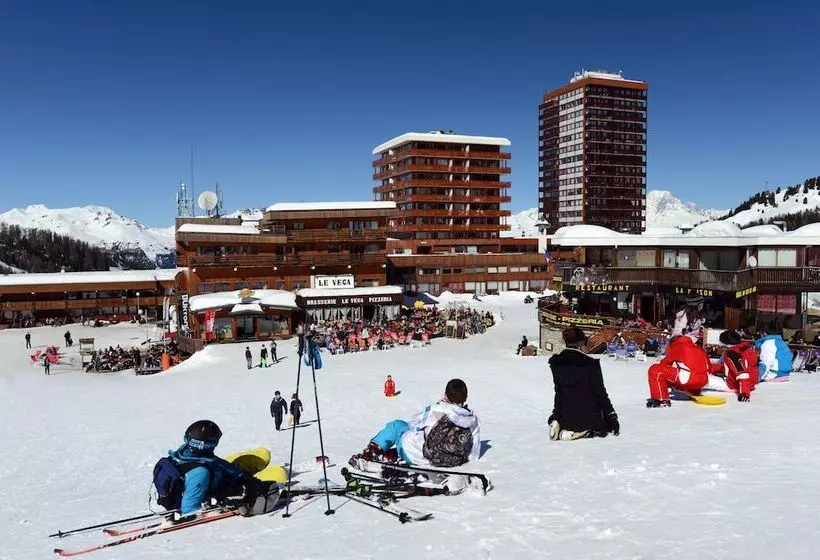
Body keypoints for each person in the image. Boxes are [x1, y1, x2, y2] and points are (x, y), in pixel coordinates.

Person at [156, 420, 278, 518]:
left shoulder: (187, 453)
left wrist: (243, 477)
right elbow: (188, 510)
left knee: (263, 455)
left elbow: (217, 462)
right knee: (277, 472)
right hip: (221, 488)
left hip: (220, 478)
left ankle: (250, 474)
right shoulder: (199, 473)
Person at [349, 378, 480, 468]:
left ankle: (368, 455)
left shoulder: (438, 410)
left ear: (446, 395)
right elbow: (473, 455)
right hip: (448, 460)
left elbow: (416, 426)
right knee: (408, 438)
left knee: (396, 426)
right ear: (465, 397)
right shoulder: (472, 420)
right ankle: (390, 454)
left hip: (419, 455)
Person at [547, 327, 619, 440]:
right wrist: (611, 415)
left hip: (566, 415)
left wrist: (556, 414)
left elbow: (559, 392)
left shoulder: (556, 363)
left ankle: (559, 422)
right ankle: (581, 431)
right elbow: (600, 393)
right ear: (581, 343)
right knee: (603, 428)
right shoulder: (590, 363)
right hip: (587, 415)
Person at [646, 335, 710, 407]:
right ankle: (694, 391)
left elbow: (664, 364)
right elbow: (709, 367)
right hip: (703, 381)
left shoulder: (677, 347)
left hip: (689, 380)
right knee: (688, 371)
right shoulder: (699, 349)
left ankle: (661, 399)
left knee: (655, 369)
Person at [714, 330, 758, 402]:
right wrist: (711, 368)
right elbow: (730, 366)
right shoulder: (745, 349)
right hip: (750, 383)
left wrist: (744, 394)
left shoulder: (732, 354)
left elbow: (742, 373)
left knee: (706, 379)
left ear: (725, 344)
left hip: (735, 385)